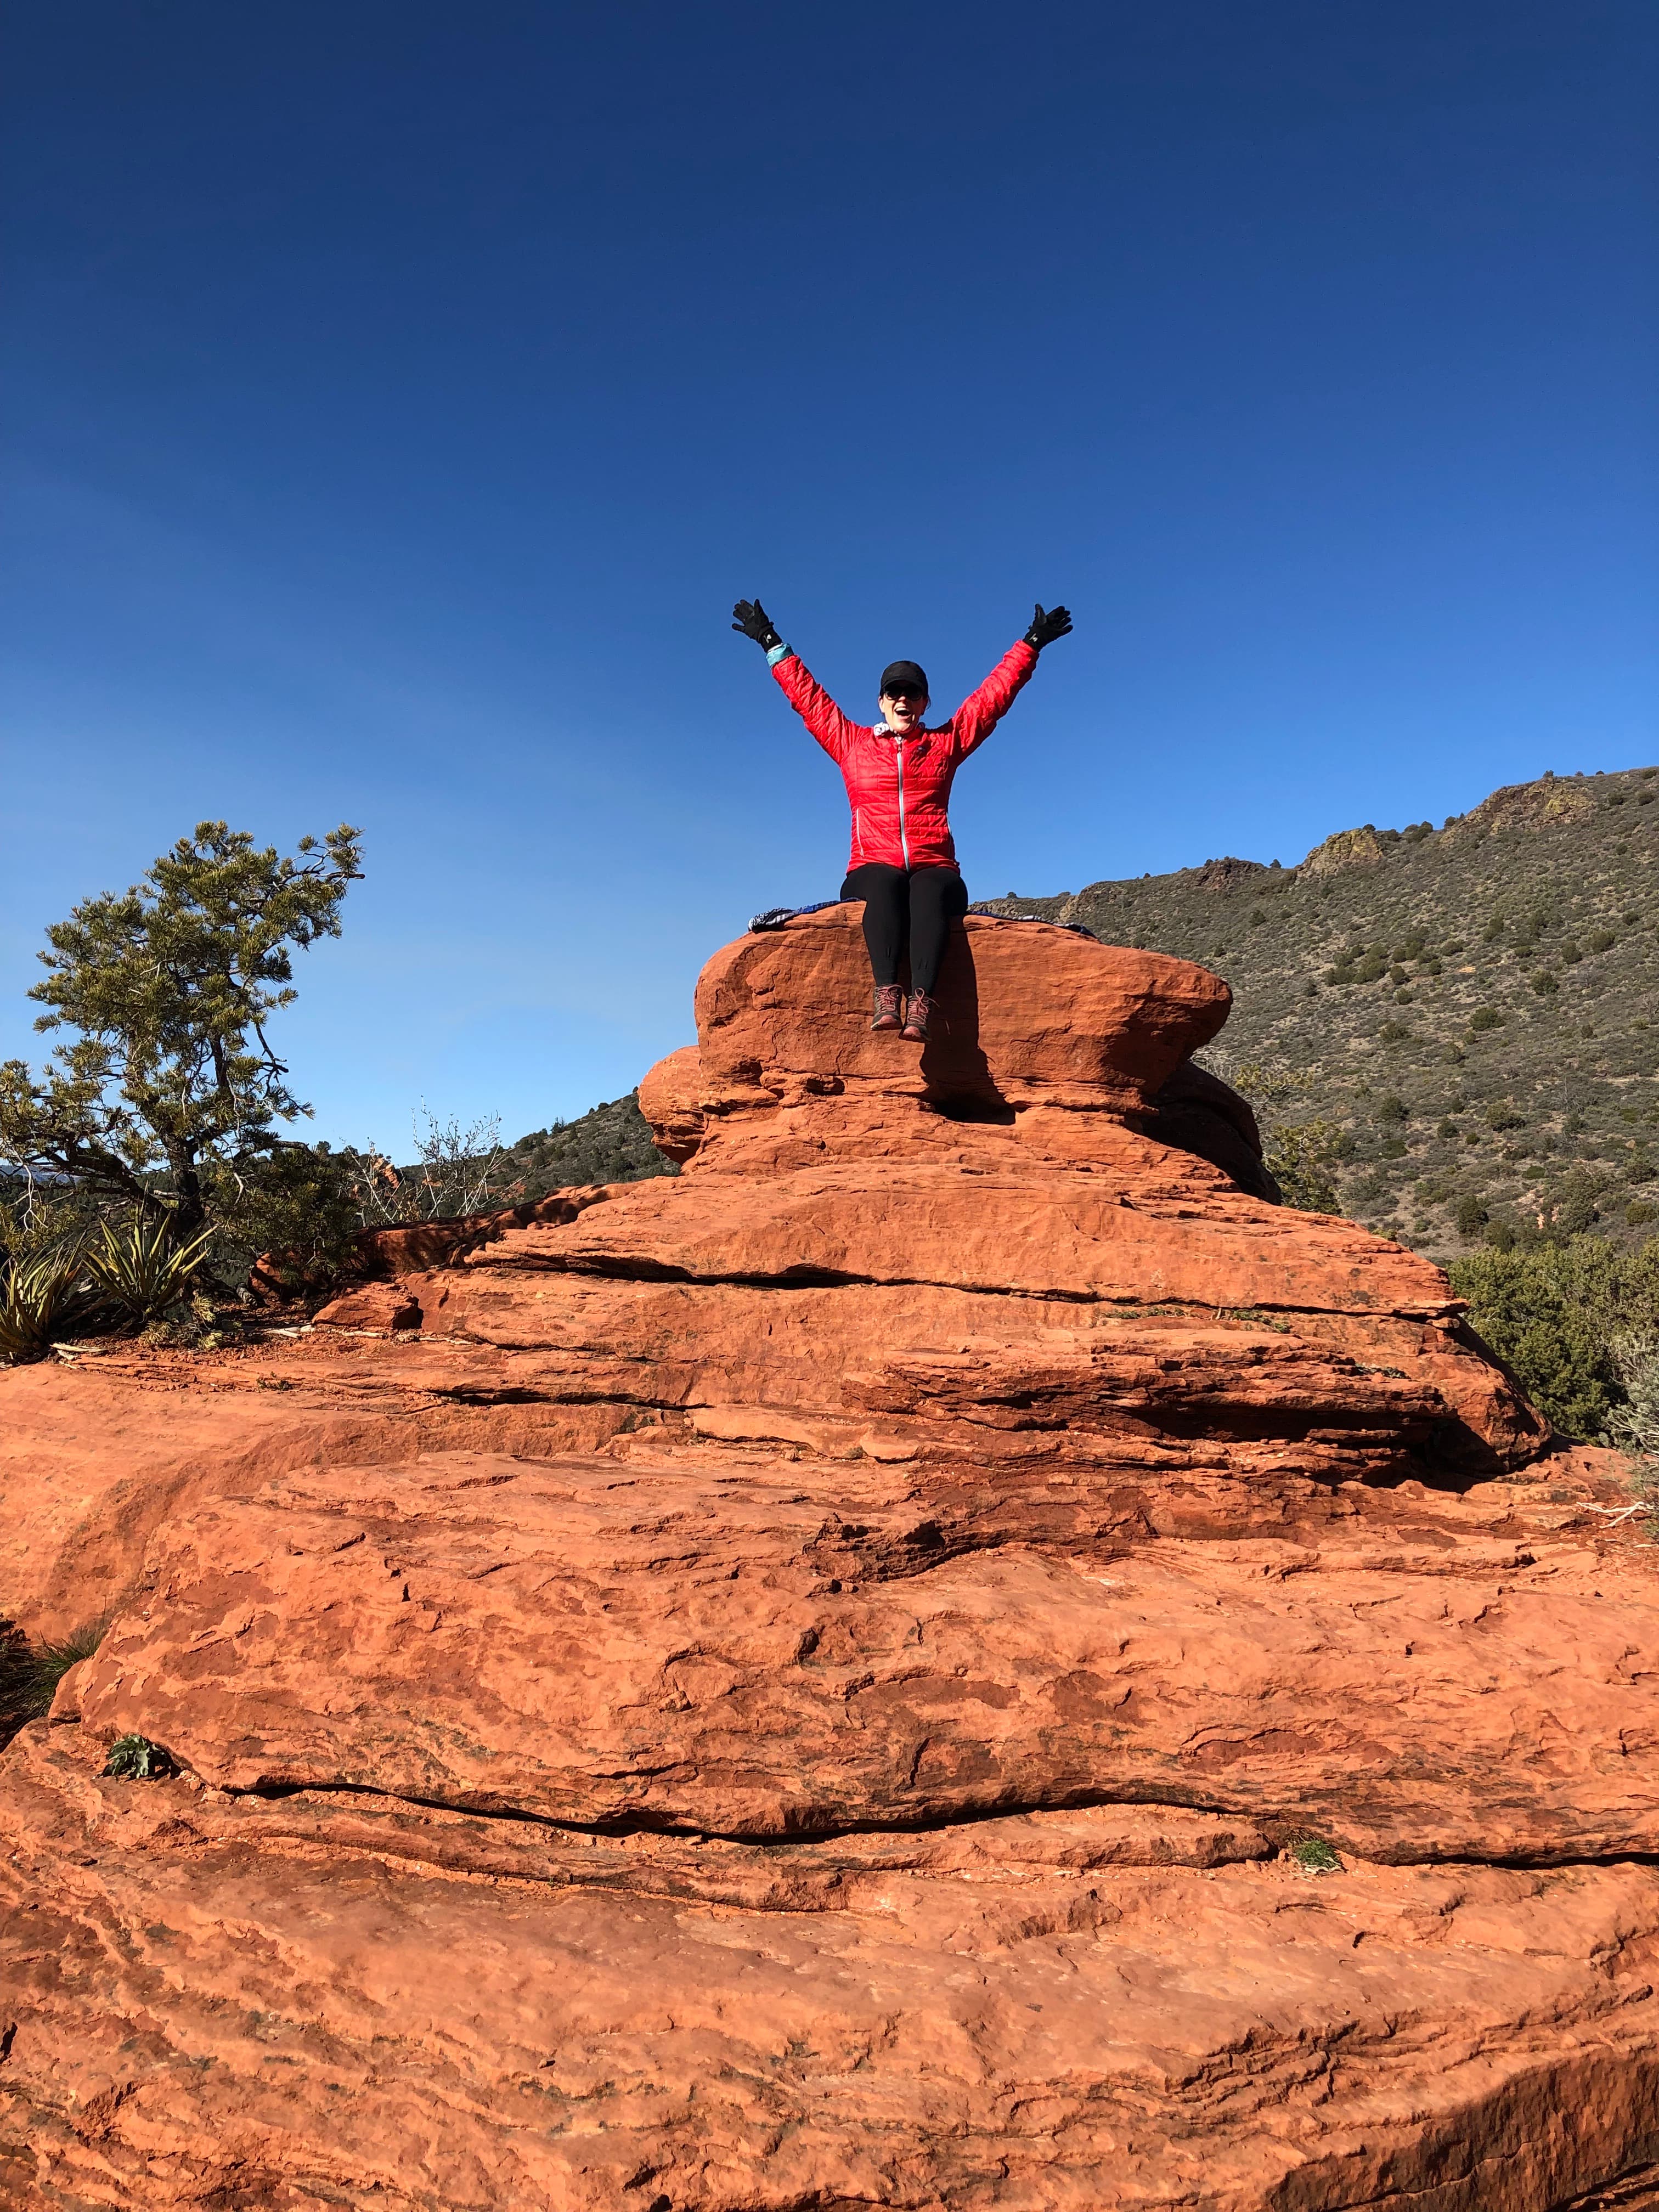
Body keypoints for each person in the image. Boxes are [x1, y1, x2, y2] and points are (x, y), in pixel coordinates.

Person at [731, 599, 1073, 1039]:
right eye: (894, 692)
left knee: (928, 888)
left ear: (925, 702)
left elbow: (992, 700)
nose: (903, 699)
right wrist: (770, 640)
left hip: (935, 865)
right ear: (881, 702)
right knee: (888, 885)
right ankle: (888, 995)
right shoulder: (851, 744)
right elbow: (809, 699)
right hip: (870, 866)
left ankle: (922, 1005)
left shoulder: (945, 744)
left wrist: (1032, 644)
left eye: (912, 693)